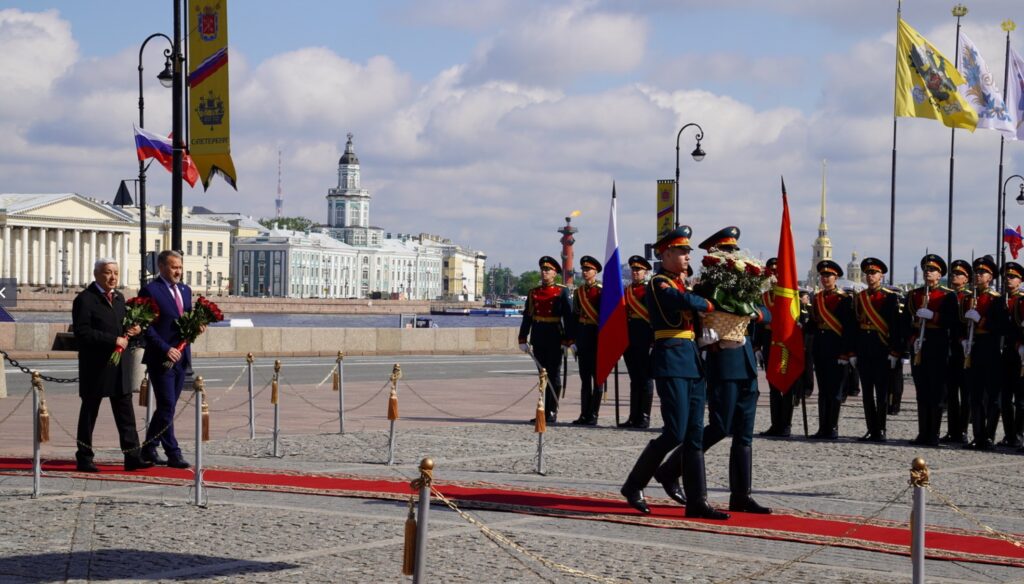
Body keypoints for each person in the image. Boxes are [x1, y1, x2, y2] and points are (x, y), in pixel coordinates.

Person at [659, 226, 771, 514]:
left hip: (745, 362)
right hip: (722, 362)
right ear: (713, 256)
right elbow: (697, 320)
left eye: (734, 252)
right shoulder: (706, 287)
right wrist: (707, 343)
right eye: (726, 252)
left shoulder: (743, 283)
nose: (732, 257)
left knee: (745, 432)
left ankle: (741, 495)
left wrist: (755, 313)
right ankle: (672, 468)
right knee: (720, 426)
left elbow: (766, 311)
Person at [620, 225, 728, 520]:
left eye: (687, 251)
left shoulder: (683, 283)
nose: (686, 256)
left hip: (692, 361)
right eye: (681, 251)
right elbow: (684, 303)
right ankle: (633, 484)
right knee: (675, 431)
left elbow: (694, 302)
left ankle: (698, 501)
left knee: (694, 435)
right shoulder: (658, 283)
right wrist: (705, 302)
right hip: (670, 359)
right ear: (665, 254)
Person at [72, 258, 153, 473]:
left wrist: (136, 331)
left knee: (126, 412)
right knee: (89, 413)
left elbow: (124, 330)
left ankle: (132, 456)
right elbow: (82, 333)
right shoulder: (85, 299)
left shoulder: (119, 299)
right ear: (96, 274)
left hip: (119, 366)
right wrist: (112, 340)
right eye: (108, 272)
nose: (113, 277)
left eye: (116, 273)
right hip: (96, 366)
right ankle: (84, 457)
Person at [139, 250, 196, 468]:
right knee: (167, 404)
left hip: (182, 357)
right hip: (161, 358)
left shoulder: (185, 289)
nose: (178, 271)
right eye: (174, 267)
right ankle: (173, 452)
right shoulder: (151, 290)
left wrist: (196, 326)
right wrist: (165, 349)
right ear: (162, 267)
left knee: (168, 408)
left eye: (180, 267)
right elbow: (146, 327)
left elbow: (188, 318)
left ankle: (149, 446)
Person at [905, 254, 958, 447]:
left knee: (936, 391)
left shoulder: (947, 295)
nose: (928, 272)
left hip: (938, 344)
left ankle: (934, 433)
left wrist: (934, 315)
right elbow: (907, 322)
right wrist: (912, 339)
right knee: (922, 390)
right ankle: (922, 432)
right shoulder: (914, 294)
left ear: (940, 274)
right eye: (926, 269)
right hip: (920, 344)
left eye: (932, 270)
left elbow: (952, 322)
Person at [851, 257, 901, 443]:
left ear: (881, 275)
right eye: (868, 273)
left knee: (881, 392)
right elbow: (855, 327)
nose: (870, 276)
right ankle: (870, 428)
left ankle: (881, 428)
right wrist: (853, 352)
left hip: (882, 348)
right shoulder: (860, 297)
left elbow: (895, 327)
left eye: (874, 273)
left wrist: (895, 351)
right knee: (866, 392)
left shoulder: (889, 297)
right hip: (864, 348)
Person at [518, 256, 573, 424]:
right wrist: (522, 337)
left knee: (554, 375)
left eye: (548, 270)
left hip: (555, 336)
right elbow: (528, 317)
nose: (544, 272)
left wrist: (568, 341)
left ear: (554, 273)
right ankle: (541, 410)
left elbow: (568, 318)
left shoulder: (561, 291)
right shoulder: (533, 292)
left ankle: (551, 410)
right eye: (542, 269)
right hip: (538, 336)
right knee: (542, 375)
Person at [961, 256, 1007, 450]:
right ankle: (977, 435)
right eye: (976, 272)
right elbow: (959, 324)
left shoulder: (996, 300)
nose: (978, 275)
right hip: (973, 348)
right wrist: (962, 340)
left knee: (992, 395)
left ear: (991, 277)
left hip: (990, 349)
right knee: (975, 395)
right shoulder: (967, 298)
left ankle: (988, 435)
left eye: (982, 273)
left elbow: (1002, 326)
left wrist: (980, 320)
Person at [807, 260, 855, 439]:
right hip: (821, 347)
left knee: (835, 391)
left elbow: (848, 328)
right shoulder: (817, 298)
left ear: (836, 278)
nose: (825, 279)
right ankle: (822, 427)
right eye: (823, 276)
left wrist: (846, 352)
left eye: (829, 276)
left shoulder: (844, 299)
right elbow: (813, 323)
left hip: (837, 349)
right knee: (823, 391)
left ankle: (832, 427)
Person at [758, 258, 796, 438]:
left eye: (777, 270)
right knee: (773, 384)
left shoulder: (788, 295)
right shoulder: (764, 296)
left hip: (785, 342)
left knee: (786, 385)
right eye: (771, 271)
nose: (774, 274)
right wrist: (757, 345)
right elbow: (757, 322)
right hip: (768, 341)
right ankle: (775, 424)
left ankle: (786, 424)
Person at [620, 255, 654, 429]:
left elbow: (654, 317)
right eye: (633, 269)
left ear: (645, 272)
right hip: (630, 339)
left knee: (646, 378)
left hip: (645, 338)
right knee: (634, 379)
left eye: (638, 270)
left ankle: (645, 416)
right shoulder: (626, 291)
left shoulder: (649, 290)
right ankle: (633, 416)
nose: (635, 273)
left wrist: (653, 340)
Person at [941, 260, 973, 444]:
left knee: (966, 393)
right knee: (951, 393)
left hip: (965, 349)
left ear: (966, 278)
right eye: (953, 274)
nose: (954, 277)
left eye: (958, 274)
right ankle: (952, 430)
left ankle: (962, 430)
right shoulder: (949, 297)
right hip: (950, 348)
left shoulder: (969, 297)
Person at [571, 255, 604, 425]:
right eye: (583, 269)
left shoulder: (602, 291)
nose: (585, 272)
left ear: (596, 272)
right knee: (585, 380)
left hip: (597, 338)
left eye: (588, 269)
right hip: (584, 337)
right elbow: (575, 318)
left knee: (598, 379)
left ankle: (594, 414)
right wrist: (573, 340)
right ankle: (584, 414)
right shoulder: (579, 292)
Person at [999, 262, 1024, 448]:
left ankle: (1019, 434)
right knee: (1004, 398)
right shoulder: (999, 300)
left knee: (1020, 399)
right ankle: (1009, 434)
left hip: (1018, 353)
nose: (1008, 279)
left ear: (1020, 280)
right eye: (1006, 276)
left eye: (1012, 277)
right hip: (1004, 353)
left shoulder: (1020, 300)